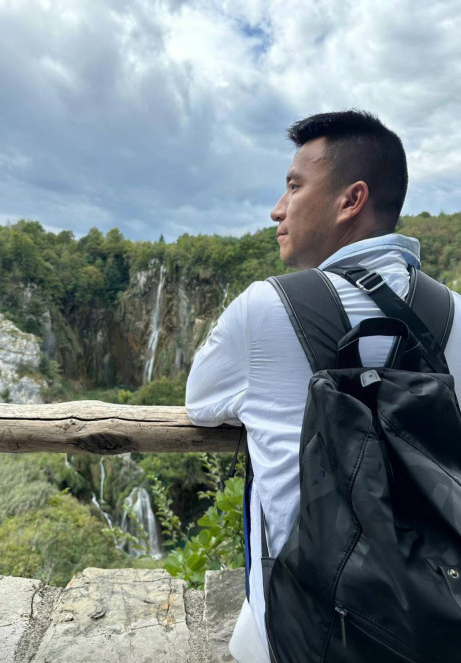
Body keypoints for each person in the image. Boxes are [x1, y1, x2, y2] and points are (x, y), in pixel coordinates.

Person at [185, 110, 461, 663]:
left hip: (310, 638)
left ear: (350, 199)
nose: (278, 209)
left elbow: (201, 404)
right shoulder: (454, 313)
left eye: (294, 186)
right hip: (434, 617)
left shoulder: (265, 308)